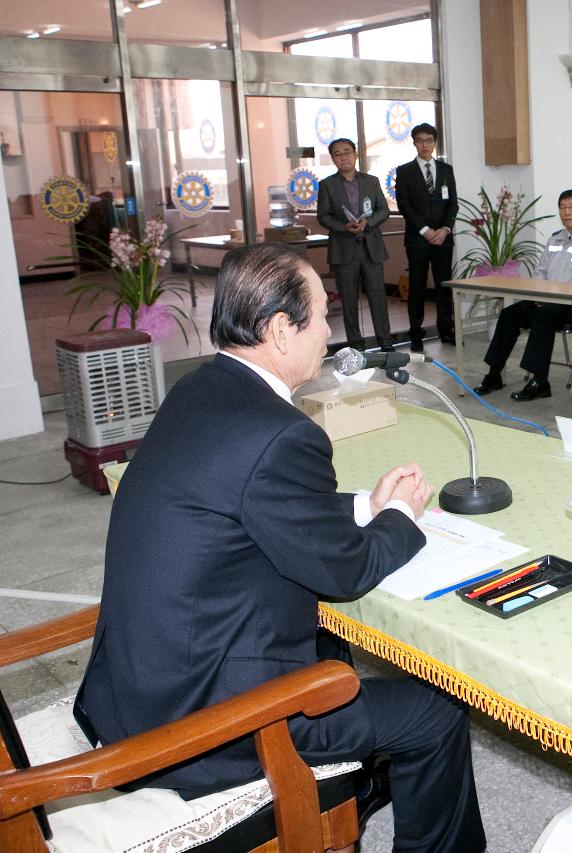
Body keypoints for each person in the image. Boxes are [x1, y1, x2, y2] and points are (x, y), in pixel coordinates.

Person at [73, 243, 486, 852]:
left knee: (331, 647)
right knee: (435, 710)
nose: (329, 330)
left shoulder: (199, 389)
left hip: (136, 687)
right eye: (321, 315)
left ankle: (354, 789)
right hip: (205, 722)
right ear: (279, 330)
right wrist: (403, 517)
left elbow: (250, 503)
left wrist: (363, 507)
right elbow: (346, 571)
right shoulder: (282, 433)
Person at [471, 189, 572, 401]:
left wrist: (550, 297)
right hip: (546, 300)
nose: (567, 212)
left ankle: (540, 381)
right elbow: (540, 272)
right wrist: (538, 293)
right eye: (562, 208)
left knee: (543, 315)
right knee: (510, 313)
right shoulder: (555, 239)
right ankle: (494, 374)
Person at [316, 137, 393, 352]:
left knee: (378, 297)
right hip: (344, 249)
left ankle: (385, 342)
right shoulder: (327, 185)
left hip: (371, 249)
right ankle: (356, 347)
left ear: (355, 154)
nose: (343, 157)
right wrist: (343, 226)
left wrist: (368, 222)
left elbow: (383, 210)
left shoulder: (372, 181)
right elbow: (323, 216)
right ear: (333, 159)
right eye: (338, 154)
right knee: (349, 301)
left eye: (347, 152)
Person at [396, 122, 458, 349]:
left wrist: (445, 229)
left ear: (434, 143)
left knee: (444, 285)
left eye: (429, 140)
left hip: (443, 238)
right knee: (417, 286)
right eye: (420, 141)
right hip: (417, 239)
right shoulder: (404, 171)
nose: (425, 145)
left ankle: (446, 329)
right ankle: (415, 333)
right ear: (414, 143)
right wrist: (425, 230)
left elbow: (453, 204)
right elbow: (404, 205)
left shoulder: (446, 170)